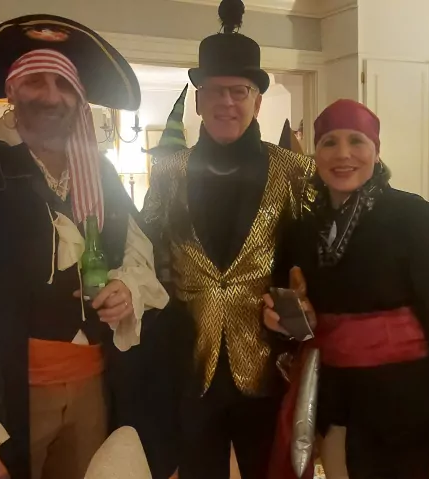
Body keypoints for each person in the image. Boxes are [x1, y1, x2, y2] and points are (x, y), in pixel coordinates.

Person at [0, 15, 168, 479]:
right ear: (12, 90)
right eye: (35, 81)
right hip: (6, 396)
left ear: (79, 97)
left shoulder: (99, 174)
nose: (51, 96)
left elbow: (137, 255)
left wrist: (127, 288)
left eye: (64, 84)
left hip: (93, 386)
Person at [263, 99, 429, 479]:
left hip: (410, 416)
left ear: (376, 151)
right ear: (316, 155)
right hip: (336, 414)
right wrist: (282, 323)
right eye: (329, 142)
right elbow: (294, 318)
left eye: (356, 141)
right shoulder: (302, 230)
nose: (342, 154)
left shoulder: (414, 218)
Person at [139, 0, 314, 477]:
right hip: (189, 364)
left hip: (267, 364)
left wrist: (300, 310)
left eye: (240, 91)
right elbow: (144, 249)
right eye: (215, 91)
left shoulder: (294, 170)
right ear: (198, 101)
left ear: (257, 101)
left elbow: (314, 257)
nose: (227, 102)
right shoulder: (169, 170)